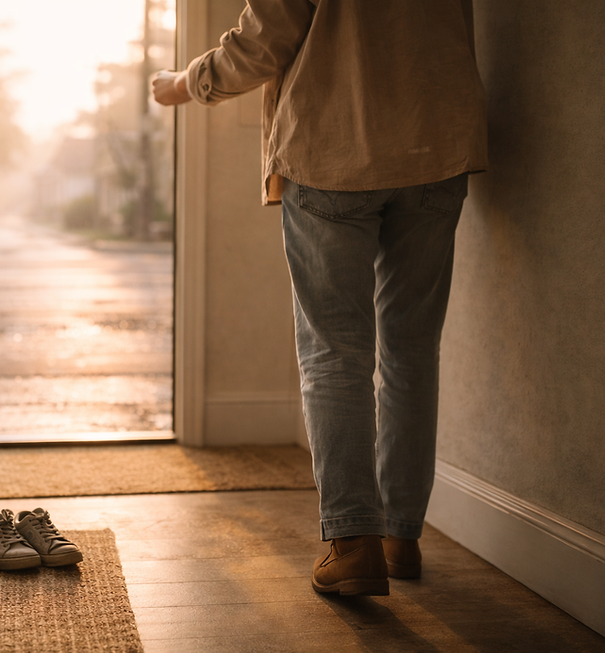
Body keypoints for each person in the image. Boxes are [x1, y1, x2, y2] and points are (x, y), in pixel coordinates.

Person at [152, 0, 487, 597]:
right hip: (437, 144)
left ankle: (354, 545)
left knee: (336, 354)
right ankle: (400, 538)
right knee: (412, 350)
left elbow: (263, 40)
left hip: (332, 147)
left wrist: (185, 83)